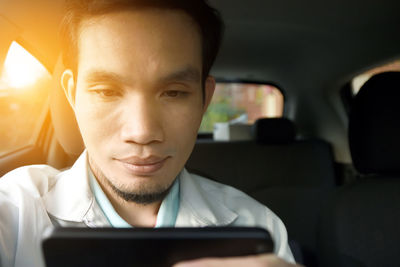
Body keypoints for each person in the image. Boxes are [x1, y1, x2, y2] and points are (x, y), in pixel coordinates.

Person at [0, 0, 301, 266]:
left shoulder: (258, 224)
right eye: (107, 91)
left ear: (204, 99)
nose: (142, 132)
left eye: (172, 93)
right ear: (71, 94)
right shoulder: (15, 210)